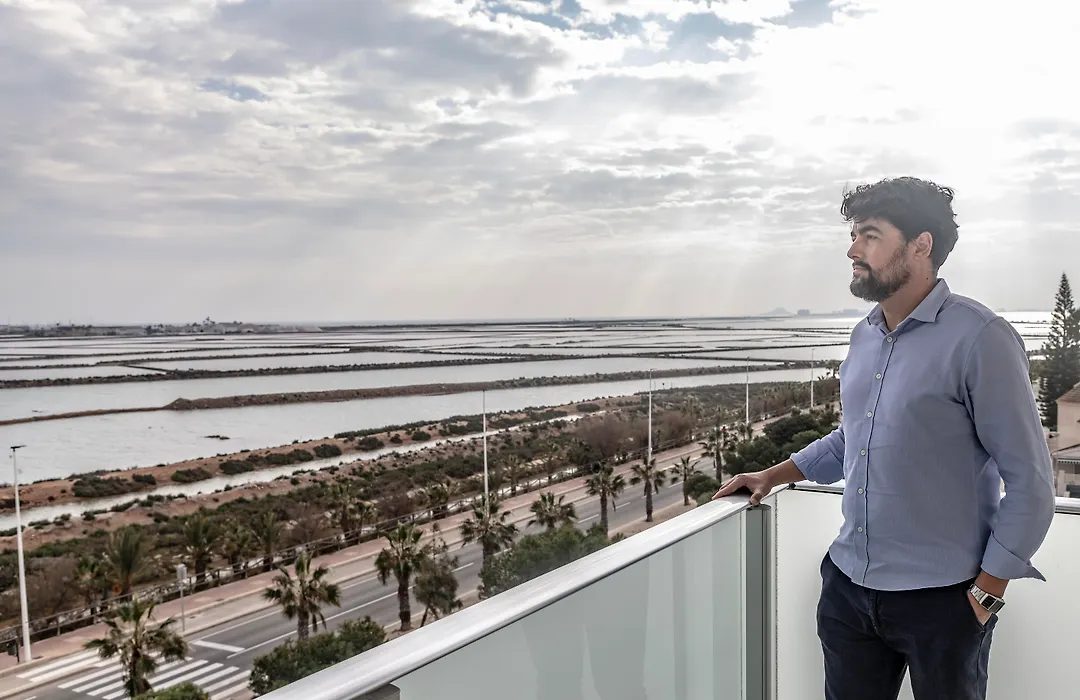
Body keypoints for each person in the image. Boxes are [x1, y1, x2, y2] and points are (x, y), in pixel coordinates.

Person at [713, 177, 1056, 700]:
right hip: (848, 589)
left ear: (921, 244)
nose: (853, 250)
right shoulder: (864, 335)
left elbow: (1030, 482)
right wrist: (773, 474)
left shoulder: (981, 338)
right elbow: (854, 438)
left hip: (943, 601)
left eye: (870, 235)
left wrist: (987, 592)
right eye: (853, 235)